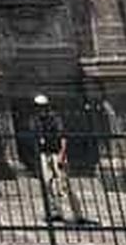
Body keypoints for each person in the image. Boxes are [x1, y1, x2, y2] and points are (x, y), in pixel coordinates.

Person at [30, 94, 85, 224]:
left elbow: (63, 137)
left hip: (56, 153)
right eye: (37, 107)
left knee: (64, 184)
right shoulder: (35, 121)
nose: (39, 109)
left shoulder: (55, 119)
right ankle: (55, 212)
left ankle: (77, 214)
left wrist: (62, 154)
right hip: (44, 154)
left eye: (42, 106)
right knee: (47, 183)